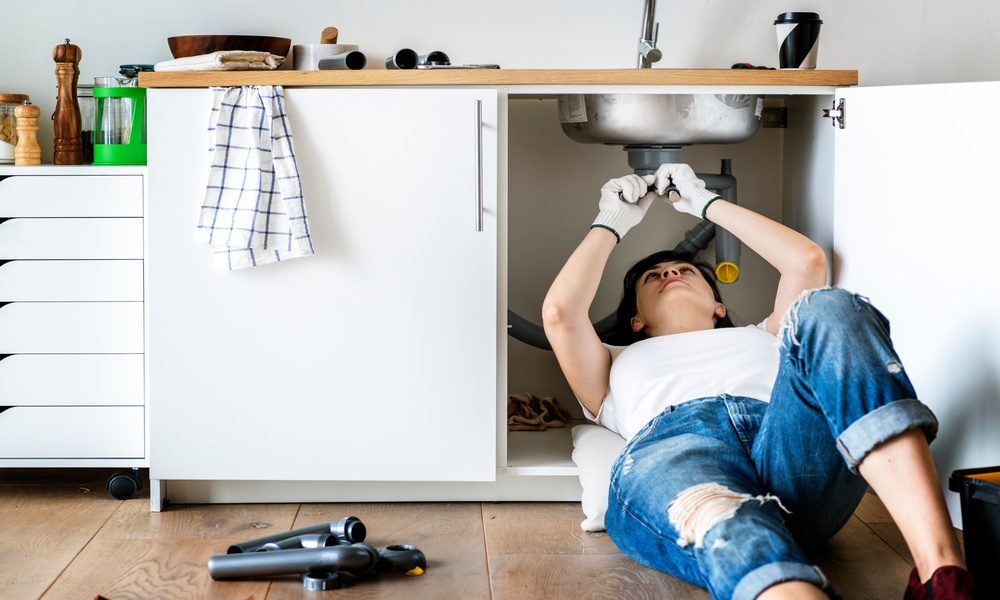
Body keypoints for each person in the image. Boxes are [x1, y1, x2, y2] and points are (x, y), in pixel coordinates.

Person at [542, 164, 980, 600]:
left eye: (685, 270)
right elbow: (561, 315)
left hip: (791, 448)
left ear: (718, 306)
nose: (669, 273)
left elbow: (807, 261)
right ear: (635, 319)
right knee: (725, 520)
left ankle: (940, 573)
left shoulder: (766, 333)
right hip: (677, 450)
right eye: (652, 277)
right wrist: (611, 223)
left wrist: (707, 205)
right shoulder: (613, 363)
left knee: (828, 306)